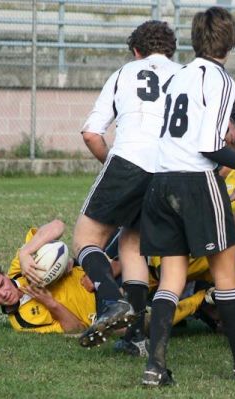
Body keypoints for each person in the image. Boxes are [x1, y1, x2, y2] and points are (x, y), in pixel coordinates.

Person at [139, 6, 235, 387]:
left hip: (161, 182)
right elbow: (210, 146)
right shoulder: (221, 80)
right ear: (231, 41)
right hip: (196, 182)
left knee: (171, 277)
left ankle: (155, 366)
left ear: (194, 40)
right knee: (225, 272)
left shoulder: (177, 77)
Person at [73, 21, 182, 348]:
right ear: (171, 50)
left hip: (130, 159)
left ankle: (110, 299)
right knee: (132, 243)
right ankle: (135, 337)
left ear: (136, 51)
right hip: (171, 168)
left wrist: (113, 166)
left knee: (85, 239)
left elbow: (92, 133)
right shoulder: (186, 74)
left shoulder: (126, 72)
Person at [0, 220, 97, 334]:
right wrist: (50, 303)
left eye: (1, 284)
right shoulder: (23, 321)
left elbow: (58, 226)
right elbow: (78, 329)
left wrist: (25, 253)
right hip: (101, 309)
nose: (3, 293)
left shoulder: (20, 267)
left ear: (5, 275)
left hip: (98, 274)